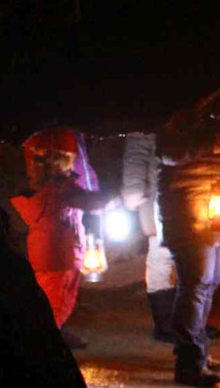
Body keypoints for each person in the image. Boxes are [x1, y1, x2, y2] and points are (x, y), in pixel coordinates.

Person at [157, 110, 220, 388]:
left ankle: (199, 354)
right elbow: (168, 152)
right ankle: (189, 362)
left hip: (219, 198)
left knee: (210, 281)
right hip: (188, 199)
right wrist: (207, 144)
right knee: (196, 282)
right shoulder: (183, 110)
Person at [11, 128, 112, 347]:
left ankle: (47, 339)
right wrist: (113, 199)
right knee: (57, 307)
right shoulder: (62, 190)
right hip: (62, 258)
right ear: (61, 160)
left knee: (48, 303)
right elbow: (90, 201)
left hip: (47, 258)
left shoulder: (39, 191)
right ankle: (46, 347)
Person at [120, 132, 176, 342]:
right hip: (157, 192)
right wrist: (134, 191)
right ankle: (165, 321)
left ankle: (189, 320)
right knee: (161, 255)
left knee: (192, 258)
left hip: (189, 189)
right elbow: (136, 150)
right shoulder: (149, 113)